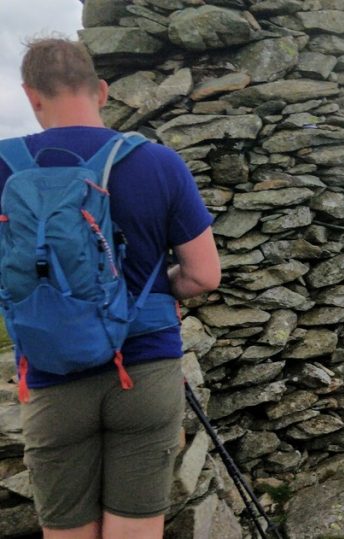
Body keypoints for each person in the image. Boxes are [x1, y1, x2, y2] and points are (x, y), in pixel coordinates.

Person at [0, 38, 221, 539]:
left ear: (31, 96)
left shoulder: (4, 165)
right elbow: (204, 275)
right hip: (143, 369)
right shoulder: (159, 163)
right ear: (101, 91)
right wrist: (154, 290)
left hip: (53, 375)